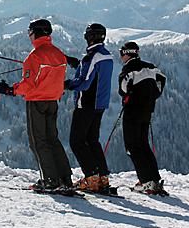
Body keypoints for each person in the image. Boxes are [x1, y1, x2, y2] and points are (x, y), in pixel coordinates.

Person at [0, 18, 73, 192]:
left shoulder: (34, 56)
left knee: (38, 141)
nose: (29, 36)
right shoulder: (59, 54)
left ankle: (50, 180)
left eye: (30, 33)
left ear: (36, 33)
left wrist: (9, 90)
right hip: (53, 101)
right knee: (53, 139)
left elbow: (28, 85)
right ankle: (65, 179)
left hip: (37, 102)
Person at [64, 23, 113, 192]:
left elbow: (84, 83)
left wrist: (66, 84)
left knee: (76, 141)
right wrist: (77, 65)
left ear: (89, 37)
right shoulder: (106, 55)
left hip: (86, 104)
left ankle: (91, 177)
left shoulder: (92, 56)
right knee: (92, 140)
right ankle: (102, 178)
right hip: (100, 104)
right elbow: (94, 75)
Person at [118, 41, 167, 195]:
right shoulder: (151, 67)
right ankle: (154, 180)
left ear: (126, 53)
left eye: (121, 53)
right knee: (143, 144)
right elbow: (161, 80)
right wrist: (152, 97)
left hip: (132, 110)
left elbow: (123, 88)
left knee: (132, 146)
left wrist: (129, 96)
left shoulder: (128, 69)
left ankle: (145, 181)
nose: (121, 57)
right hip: (147, 110)